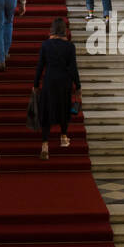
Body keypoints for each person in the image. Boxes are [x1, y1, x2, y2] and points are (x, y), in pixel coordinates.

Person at [34, 17, 80, 161]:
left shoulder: (46, 45)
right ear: (64, 30)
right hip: (64, 82)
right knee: (64, 108)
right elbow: (73, 68)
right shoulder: (70, 47)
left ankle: (45, 145)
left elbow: (40, 66)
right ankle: (63, 137)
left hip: (49, 81)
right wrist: (77, 85)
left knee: (47, 111)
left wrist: (36, 84)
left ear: (52, 29)